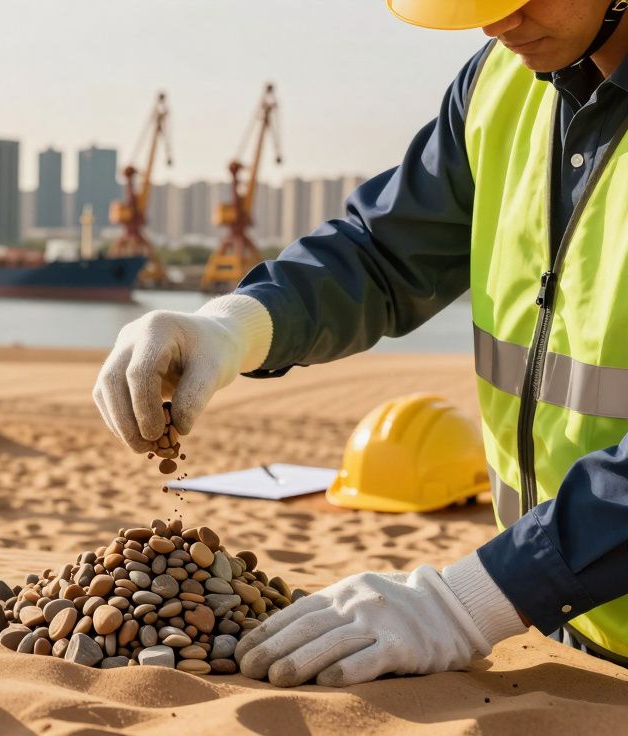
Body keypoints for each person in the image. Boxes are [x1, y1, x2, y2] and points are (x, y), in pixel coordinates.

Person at [93, 0, 628, 687]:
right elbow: (383, 253)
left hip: (530, 591)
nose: (497, 23)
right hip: (566, 626)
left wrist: (469, 602)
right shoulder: (502, 83)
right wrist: (236, 327)